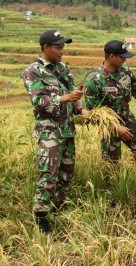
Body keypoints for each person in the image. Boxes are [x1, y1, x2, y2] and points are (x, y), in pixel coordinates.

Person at [23, 30, 88, 234]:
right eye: (58, 47)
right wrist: (65, 98)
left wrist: (81, 108)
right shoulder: (34, 71)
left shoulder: (63, 69)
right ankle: (41, 216)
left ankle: (57, 207)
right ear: (45, 48)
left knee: (67, 172)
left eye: (63, 47)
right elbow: (38, 101)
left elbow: (73, 94)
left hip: (67, 130)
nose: (62, 51)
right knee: (48, 175)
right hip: (49, 133)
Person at [84, 40, 136, 162]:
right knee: (111, 164)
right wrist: (116, 127)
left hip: (127, 119)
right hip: (108, 126)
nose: (125, 60)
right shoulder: (94, 80)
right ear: (111, 57)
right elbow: (93, 112)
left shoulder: (125, 71)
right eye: (122, 57)